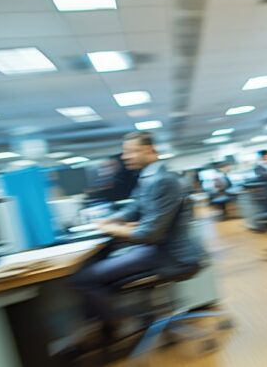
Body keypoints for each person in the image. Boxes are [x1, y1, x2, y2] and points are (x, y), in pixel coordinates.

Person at [71, 131, 204, 343]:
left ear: (150, 150)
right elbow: (134, 208)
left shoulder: (163, 181)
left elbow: (149, 234)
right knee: (100, 274)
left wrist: (110, 230)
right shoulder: (149, 178)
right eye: (125, 152)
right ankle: (123, 322)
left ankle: (121, 322)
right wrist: (109, 221)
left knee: (83, 279)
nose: (125, 157)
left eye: (131, 151)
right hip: (157, 250)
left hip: (169, 255)